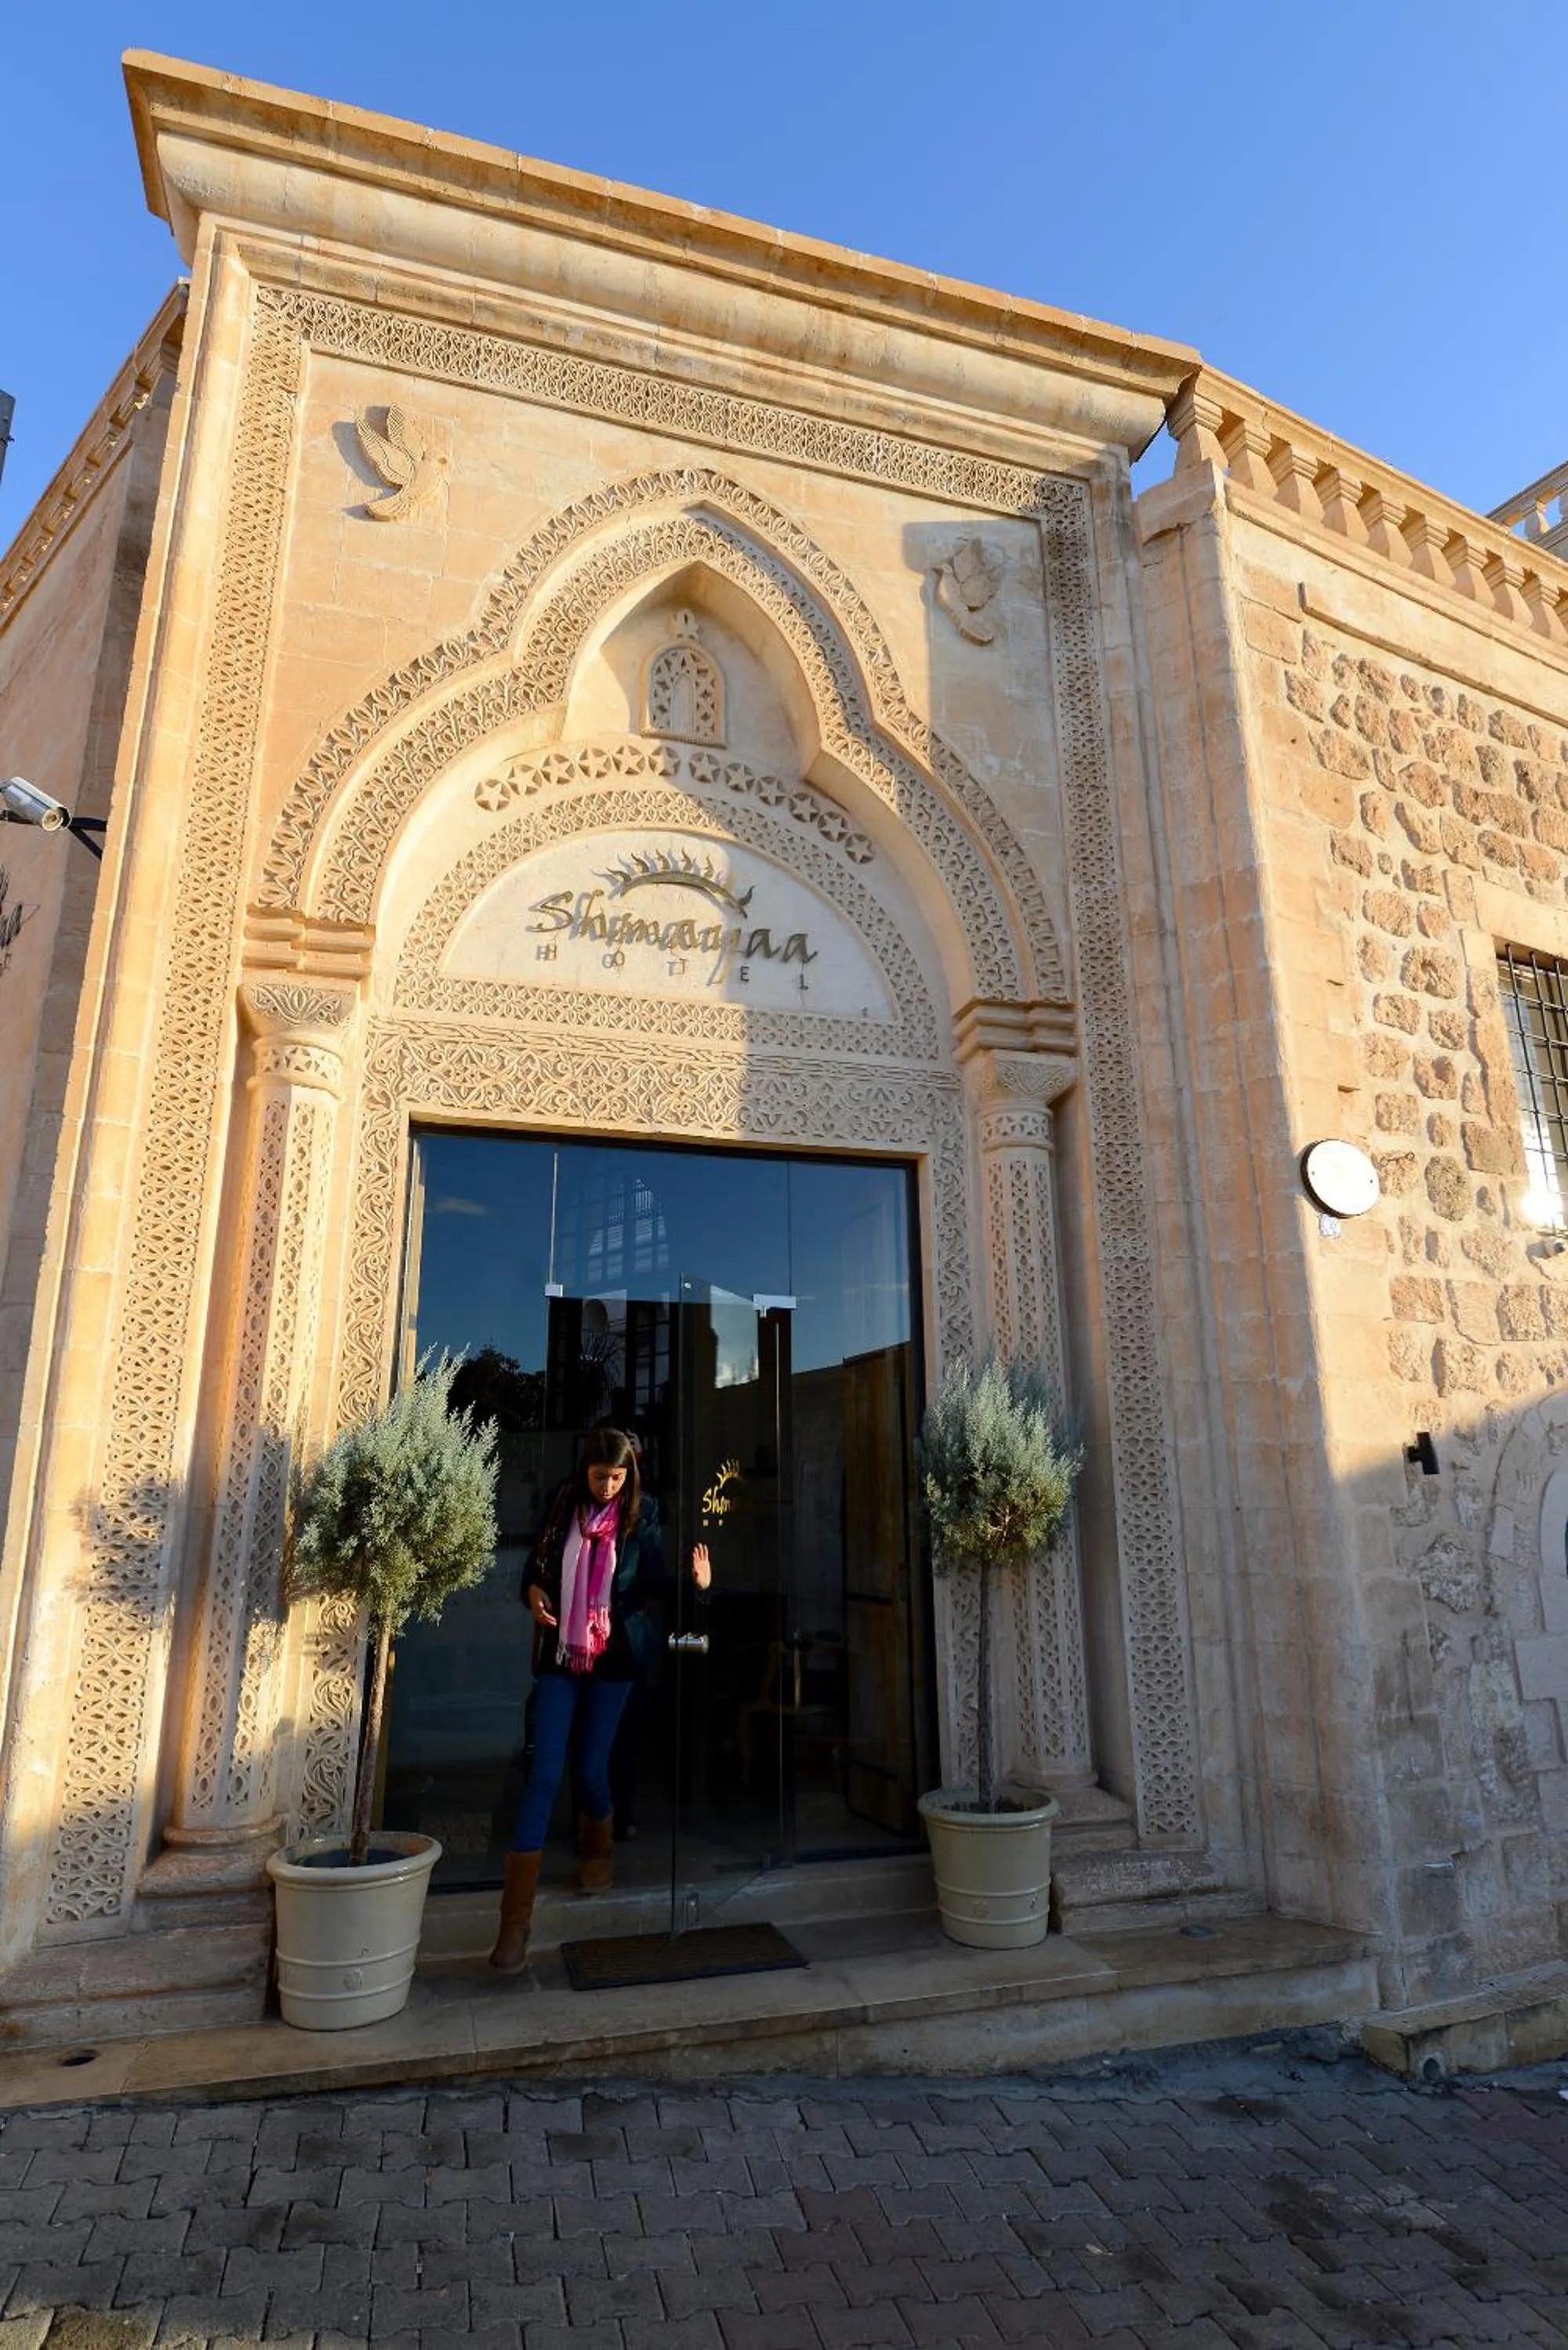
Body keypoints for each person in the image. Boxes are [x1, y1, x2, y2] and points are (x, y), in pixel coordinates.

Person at [489, 1426, 710, 1973]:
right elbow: (535, 1571)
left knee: (591, 1766)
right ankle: (514, 1925)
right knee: (544, 1771)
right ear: (584, 1470)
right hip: (562, 1655)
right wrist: (536, 1595)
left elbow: (652, 1583)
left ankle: (598, 1848)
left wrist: (697, 1584)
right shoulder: (564, 1503)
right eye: (600, 1475)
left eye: (617, 1476)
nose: (608, 1485)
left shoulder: (641, 1515)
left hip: (615, 1660)